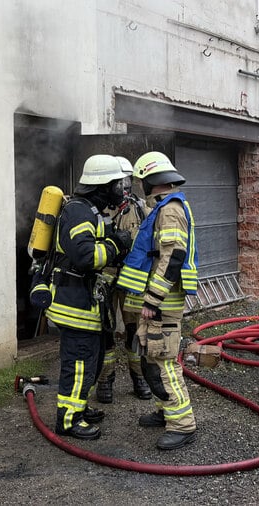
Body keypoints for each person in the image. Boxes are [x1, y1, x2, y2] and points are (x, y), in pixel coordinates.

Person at [117, 151, 199, 450]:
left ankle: (183, 424)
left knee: (165, 361)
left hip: (163, 301)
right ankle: (166, 411)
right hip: (156, 299)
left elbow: (172, 257)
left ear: (150, 180)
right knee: (151, 356)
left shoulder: (170, 210)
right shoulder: (164, 207)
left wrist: (152, 299)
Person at [47, 154, 132, 440]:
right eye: (117, 184)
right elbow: (85, 256)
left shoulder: (91, 210)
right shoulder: (79, 211)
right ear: (101, 185)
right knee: (80, 363)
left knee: (92, 362)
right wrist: (115, 244)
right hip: (75, 305)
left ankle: (79, 408)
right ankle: (68, 421)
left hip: (87, 304)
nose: (121, 189)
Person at [95, 156, 153, 403]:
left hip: (132, 282)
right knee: (105, 331)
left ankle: (138, 378)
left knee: (134, 331)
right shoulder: (98, 209)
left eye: (128, 181)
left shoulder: (141, 208)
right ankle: (105, 380)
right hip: (105, 280)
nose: (124, 187)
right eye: (119, 182)